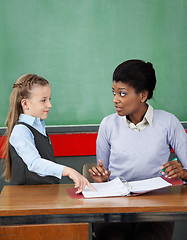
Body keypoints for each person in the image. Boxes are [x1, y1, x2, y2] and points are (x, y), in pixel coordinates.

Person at [89, 59, 187, 240]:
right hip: (116, 205)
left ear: (142, 95)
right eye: (114, 92)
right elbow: (103, 173)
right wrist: (102, 179)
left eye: (122, 93)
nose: (115, 99)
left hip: (157, 206)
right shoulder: (108, 124)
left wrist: (182, 173)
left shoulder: (169, 122)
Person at [2, 74, 95, 194]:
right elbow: (34, 163)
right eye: (43, 100)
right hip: (28, 199)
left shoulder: (39, 126)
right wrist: (68, 170)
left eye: (49, 100)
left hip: (46, 194)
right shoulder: (21, 130)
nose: (49, 105)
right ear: (25, 104)